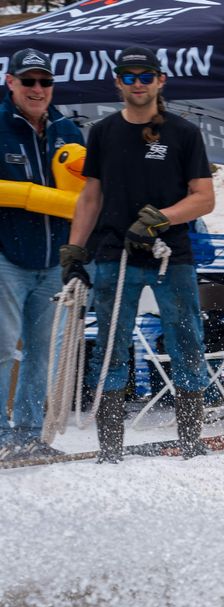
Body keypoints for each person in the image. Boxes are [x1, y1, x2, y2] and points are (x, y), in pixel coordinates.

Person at [62, 45, 214, 463]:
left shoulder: (184, 133)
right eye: (129, 76)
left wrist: (160, 218)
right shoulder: (103, 132)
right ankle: (110, 449)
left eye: (146, 76)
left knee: (187, 342)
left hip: (171, 255)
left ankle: (191, 442)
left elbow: (204, 198)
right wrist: (74, 250)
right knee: (110, 346)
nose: (138, 83)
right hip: (114, 254)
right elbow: (90, 196)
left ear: (160, 81)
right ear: (117, 82)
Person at [0, 48, 84, 461]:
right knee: (2, 350)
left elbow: (89, 194)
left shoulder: (69, 131)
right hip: (6, 258)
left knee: (42, 353)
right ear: (10, 82)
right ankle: (1, 437)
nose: (37, 89)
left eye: (45, 81)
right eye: (28, 81)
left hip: (55, 262)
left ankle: (30, 436)